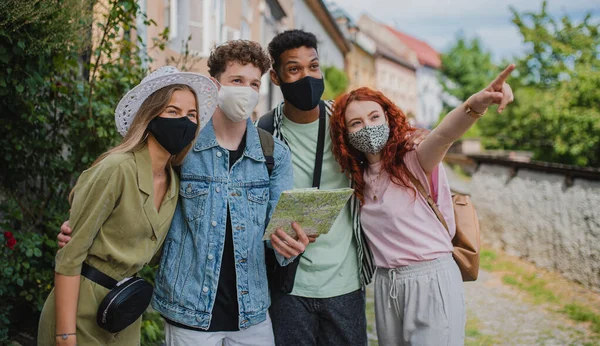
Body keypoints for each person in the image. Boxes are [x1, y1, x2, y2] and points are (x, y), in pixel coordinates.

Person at [58, 40, 310, 345]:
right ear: (216, 85)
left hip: (252, 312)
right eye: (237, 81)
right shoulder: (182, 144)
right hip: (188, 311)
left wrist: (291, 244)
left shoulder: (275, 154)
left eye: (254, 83)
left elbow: (278, 235)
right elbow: (141, 201)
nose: (247, 90)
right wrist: (86, 232)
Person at [256, 29, 427, 345]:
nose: (307, 76)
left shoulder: (345, 119)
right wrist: (272, 242)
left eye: (314, 66)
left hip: (345, 283)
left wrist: (418, 139)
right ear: (276, 77)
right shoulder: (264, 132)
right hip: (288, 287)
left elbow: (388, 144)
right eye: (294, 69)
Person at [328, 65, 515, 345]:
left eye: (374, 116)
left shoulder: (413, 159)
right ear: (346, 135)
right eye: (356, 123)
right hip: (386, 285)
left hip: (430, 278)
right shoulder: (358, 179)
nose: (367, 127)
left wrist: (474, 106)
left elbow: (443, 136)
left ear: (388, 118)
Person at [38, 66, 217, 346]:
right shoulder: (117, 169)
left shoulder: (175, 183)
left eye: (191, 115)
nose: (184, 121)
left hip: (125, 309)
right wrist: (64, 335)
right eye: (173, 111)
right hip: (80, 308)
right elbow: (69, 257)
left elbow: (160, 252)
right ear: (150, 116)